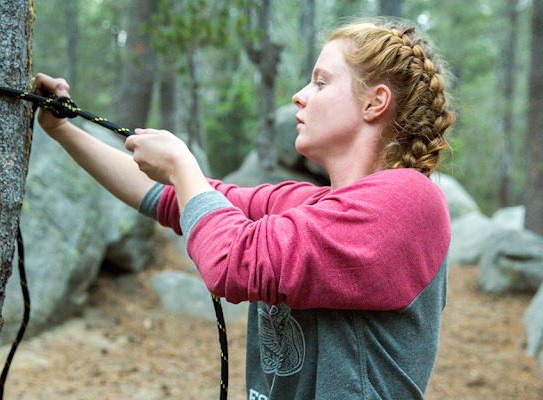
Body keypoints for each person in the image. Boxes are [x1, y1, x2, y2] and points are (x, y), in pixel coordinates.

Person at [34, 19, 455, 400]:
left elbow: (234, 261)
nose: (299, 96)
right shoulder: (310, 206)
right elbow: (172, 198)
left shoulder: (409, 202)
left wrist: (182, 167)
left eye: (321, 83)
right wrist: (64, 130)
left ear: (374, 102)